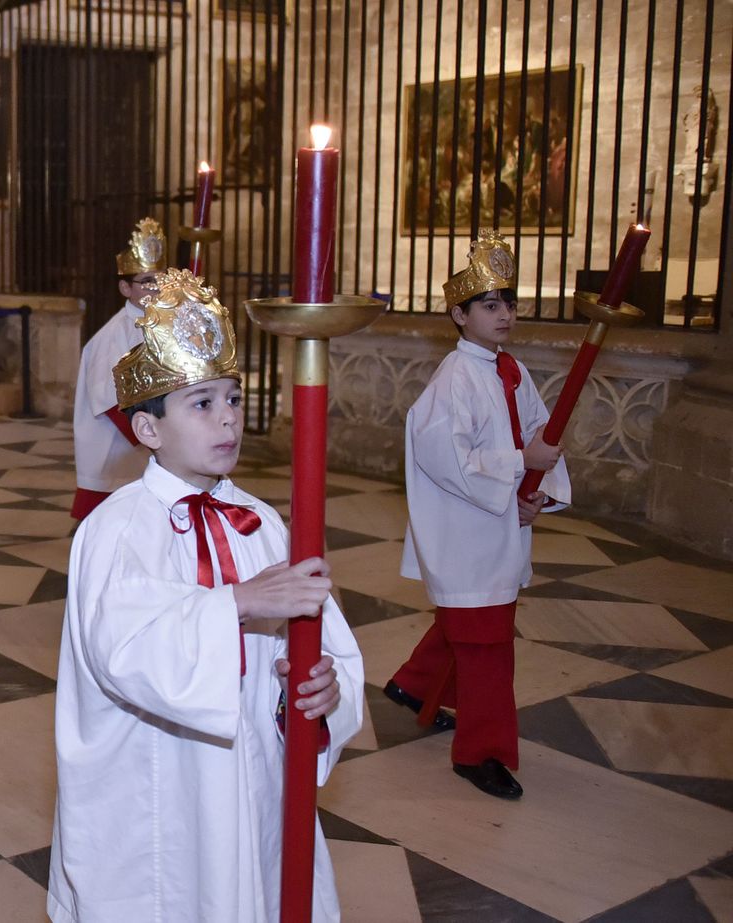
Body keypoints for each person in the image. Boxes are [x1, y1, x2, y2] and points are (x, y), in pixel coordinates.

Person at [49, 268, 364, 922]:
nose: (228, 417)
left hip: (257, 780)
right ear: (148, 430)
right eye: (201, 403)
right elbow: (122, 653)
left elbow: (326, 643)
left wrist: (319, 691)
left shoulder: (261, 521)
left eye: (232, 397)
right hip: (160, 790)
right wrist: (236, 605)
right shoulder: (118, 529)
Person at [385, 233, 569, 801]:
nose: (504, 314)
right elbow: (447, 459)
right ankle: (479, 753)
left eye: (509, 303)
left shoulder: (511, 370)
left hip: (498, 524)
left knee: (468, 624)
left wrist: (538, 493)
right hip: (465, 532)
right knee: (487, 644)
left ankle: (416, 686)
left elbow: (540, 434)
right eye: (489, 305)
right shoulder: (454, 380)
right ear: (459, 315)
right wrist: (520, 464)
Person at [70, 217, 165, 521]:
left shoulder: (162, 325)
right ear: (125, 287)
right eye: (147, 281)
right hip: (116, 452)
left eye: (161, 279)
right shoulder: (112, 336)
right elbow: (111, 400)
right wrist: (157, 439)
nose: (156, 288)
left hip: (151, 445)